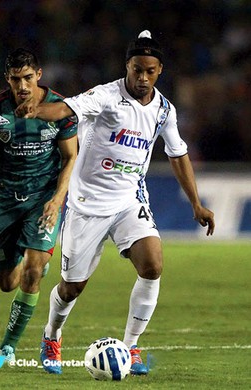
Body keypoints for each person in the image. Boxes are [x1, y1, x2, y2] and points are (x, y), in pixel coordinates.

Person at [16, 30, 215, 375]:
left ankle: (132, 346)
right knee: (71, 287)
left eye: (149, 71)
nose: (142, 77)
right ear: (128, 66)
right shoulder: (107, 96)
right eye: (137, 69)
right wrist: (35, 111)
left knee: (152, 265)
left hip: (128, 201)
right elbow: (67, 109)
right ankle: (52, 335)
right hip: (86, 204)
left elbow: (178, 154)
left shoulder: (164, 110)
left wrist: (196, 203)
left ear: (160, 71)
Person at [0, 48, 77, 363]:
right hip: (4, 199)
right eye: (16, 79)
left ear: (39, 76)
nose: (22, 86)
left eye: (28, 78)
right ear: (8, 78)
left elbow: (71, 156)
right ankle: (29, 253)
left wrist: (57, 200)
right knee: (7, 283)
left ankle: (7, 347)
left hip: (42, 201)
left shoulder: (59, 109)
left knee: (32, 273)